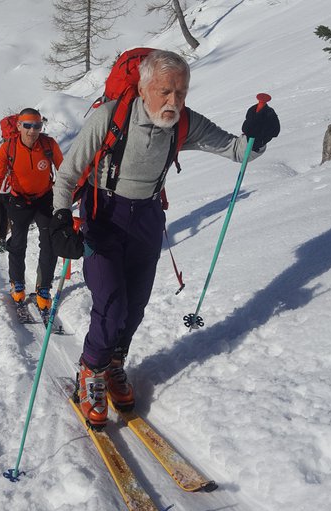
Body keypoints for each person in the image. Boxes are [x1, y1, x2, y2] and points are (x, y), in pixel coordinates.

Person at [49, 49, 280, 427]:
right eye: (165, 92)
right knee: (111, 302)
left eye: (182, 93)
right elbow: (69, 173)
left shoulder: (183, 123)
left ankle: (113, 364)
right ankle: (91, 369)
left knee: (136, 302)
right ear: (143, 88)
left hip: (148, 217)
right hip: (103, 213)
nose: (173, 102)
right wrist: (60, 219)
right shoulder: (109, 118)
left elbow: (239, 151)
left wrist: (259, 133)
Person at [0, 108, 64, 312]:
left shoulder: (48, 145)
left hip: (45, 198)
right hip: (19, 199)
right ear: (18, 126)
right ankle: (17, 282)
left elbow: (64, 170)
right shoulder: (8, 148)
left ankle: (43, 287)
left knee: (49, 243)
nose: (32, 130)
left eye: (37, 126)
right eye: (27, 125)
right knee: (18, 242)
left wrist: (75, 191)